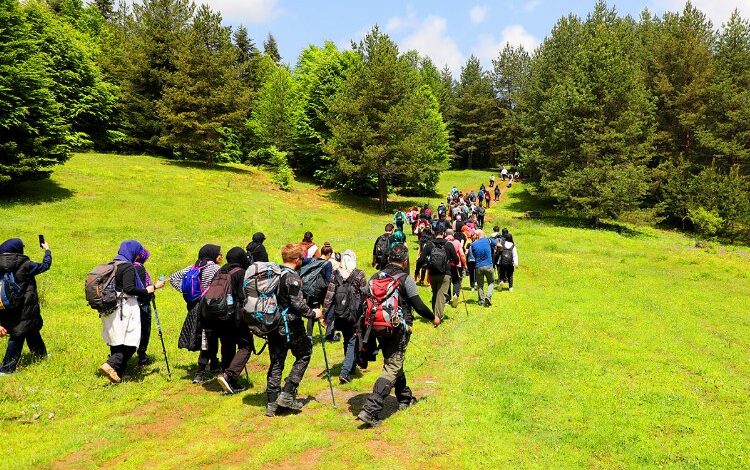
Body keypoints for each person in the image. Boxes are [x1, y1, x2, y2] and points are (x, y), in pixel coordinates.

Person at [357, 244, 441, 427]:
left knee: (393, 360)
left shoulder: (375, 277)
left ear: (388, 259)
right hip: (398, 328)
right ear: (405, 261)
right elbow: (418, 305)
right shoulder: (405, 279)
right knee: (393, 365)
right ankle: (370, 409)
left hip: (376, 327)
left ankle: (404, 397)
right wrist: (433, 318)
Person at [265, 243, 323, 417]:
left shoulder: (273, 274)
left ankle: (271, 403)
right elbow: (297, 304)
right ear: (297, 260)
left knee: (276, 362)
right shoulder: (293, 278)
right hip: (290, 324)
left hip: (272, 323)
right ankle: (288, 393)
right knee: (305, 353)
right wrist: (314, 313)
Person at [99, 240, 165, 383]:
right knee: (131, 342)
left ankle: (117, 374)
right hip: (125, 308)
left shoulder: (112, 265)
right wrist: (150, 289)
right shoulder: (127, 267)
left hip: (110, 307)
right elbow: (129, 288)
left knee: (117, 341)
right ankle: (110, 364)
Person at [170, 244, 223, 383]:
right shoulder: (216, 269)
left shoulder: (194, 266)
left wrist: (187, 291)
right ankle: (200, 372)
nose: (221, 256)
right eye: (219, 253)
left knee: (208, 334)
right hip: (208, 307)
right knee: (207, 336)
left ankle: (214, 363)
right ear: (212, 254)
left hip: (193, 306)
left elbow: (173, 278)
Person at [0, 238, 52, 375]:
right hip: (24, 308)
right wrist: (47, 250)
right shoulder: (24, 264)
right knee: (18, 335)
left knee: (32, 330)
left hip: (6, 307)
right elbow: (45, 266)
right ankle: (6, 369)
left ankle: (41, 356)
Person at [321, 250, 367, 384]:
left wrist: (324, 314)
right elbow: (365, 295)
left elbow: (329, 295)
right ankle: (345, 372)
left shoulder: (335, 274)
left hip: (339, 313)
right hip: (355, 314)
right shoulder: (359, 274)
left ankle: (351, 367)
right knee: (353, 340)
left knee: (347, 339)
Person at [217, 247, 253, 394]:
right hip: (235, 316)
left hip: (219, 315)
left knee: (227, 345)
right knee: (246, 346)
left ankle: (227, 378)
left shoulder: (220, 271)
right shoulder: (240, 273)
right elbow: (243, 296)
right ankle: (229, 375)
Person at [417, 227, 459, 320]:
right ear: (444, 233)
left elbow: (421, 259)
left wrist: (417, 272)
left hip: (432, 273)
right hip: (445, 274)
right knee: (442, 295)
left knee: (435, 294)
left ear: (433, 233)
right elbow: (456, 260)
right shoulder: (449, 244)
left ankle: (434, 314)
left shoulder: (429, 244)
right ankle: (437, 317)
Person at [133, 248, 154, 366]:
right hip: (142, 303)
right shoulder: (139, 268)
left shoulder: (129, 266)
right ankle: (142, 356)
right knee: (144, 330)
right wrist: (154, 288)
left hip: (132, 302)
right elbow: (143, 287)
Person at [468, 230, 497, 307]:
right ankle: (488, 297)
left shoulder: (473, 244)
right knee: (491, 282)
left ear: (477, 236)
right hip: (488, 265)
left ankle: (481, 301)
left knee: (480, 285)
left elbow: (473, 255)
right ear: (483, 234)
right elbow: (498, 244)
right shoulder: (488, 240)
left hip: (478, 266)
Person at [445, 229, 466, 308]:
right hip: (456, 265)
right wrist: (465, 264)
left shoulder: (444, 242)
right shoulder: (457, 242)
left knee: (447, 282)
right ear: (453, 234)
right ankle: (455, 295)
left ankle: (447, 299)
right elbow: (462, 254)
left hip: (446, 265)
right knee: (456, 281)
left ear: (445, 234)